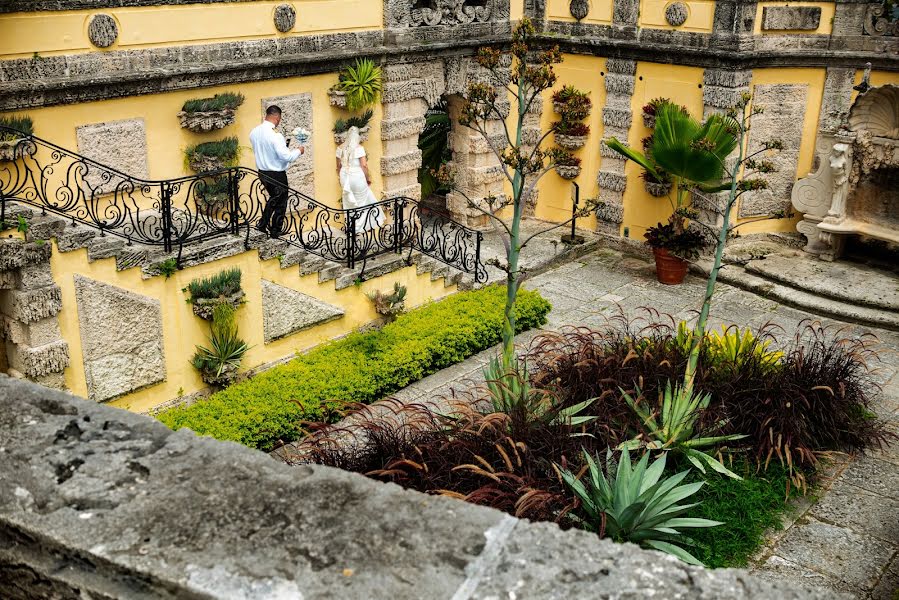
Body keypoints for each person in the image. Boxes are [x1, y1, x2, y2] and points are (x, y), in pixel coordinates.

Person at [249, 105, 305, 238]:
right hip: (276, 174)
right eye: (279, 119)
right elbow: (287, 157)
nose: (279, 121)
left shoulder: (254, 132)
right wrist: (299, 151)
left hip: (262, 172)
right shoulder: (276, 135)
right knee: (280, 202)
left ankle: (266, 226)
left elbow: (264, 151)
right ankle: (272, 228)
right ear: (276, 117)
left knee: (274, 199)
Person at [336, 126, 384, 233]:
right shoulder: (359, 148)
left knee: (348, 201)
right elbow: (364, 165)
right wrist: (367, 178)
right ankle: (358, 228)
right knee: (361, 202)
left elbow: (338, 167)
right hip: (357, 176)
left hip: (344, 175)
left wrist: (341, 178)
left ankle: (350, 226)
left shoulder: (340, 148)